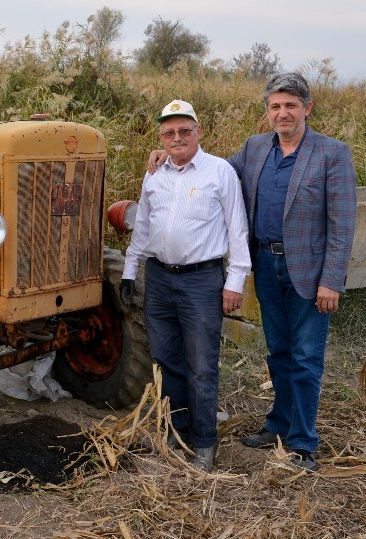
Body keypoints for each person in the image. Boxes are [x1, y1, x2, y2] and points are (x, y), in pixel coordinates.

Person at [147, 73, 358, 472]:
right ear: (268, 112)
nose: (282, 113)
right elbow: (212, 173)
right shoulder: (256, 148)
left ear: (307, 109)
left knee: (306, 356)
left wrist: (332, 279)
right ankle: (277, 424)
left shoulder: (332, 154)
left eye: (291, 106)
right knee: (278, 351)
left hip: (309, 272)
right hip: (265, 263)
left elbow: (343, 223)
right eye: (275, 106)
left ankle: (302, 443)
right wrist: (172, 155)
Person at [121, 99, 251, 473]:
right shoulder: (155, 173)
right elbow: (142, 226)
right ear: (161, 136)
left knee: (201, 364)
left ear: (198, 131)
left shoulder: (219, 172)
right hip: (159, 277)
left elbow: (237, 230)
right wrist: (131, 270)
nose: (176, 137)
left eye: (184, 130)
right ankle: (175, 429)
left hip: (201, 280)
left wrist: (235, 281)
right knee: (165, 359)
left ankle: (205, 441)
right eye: (169, 132)